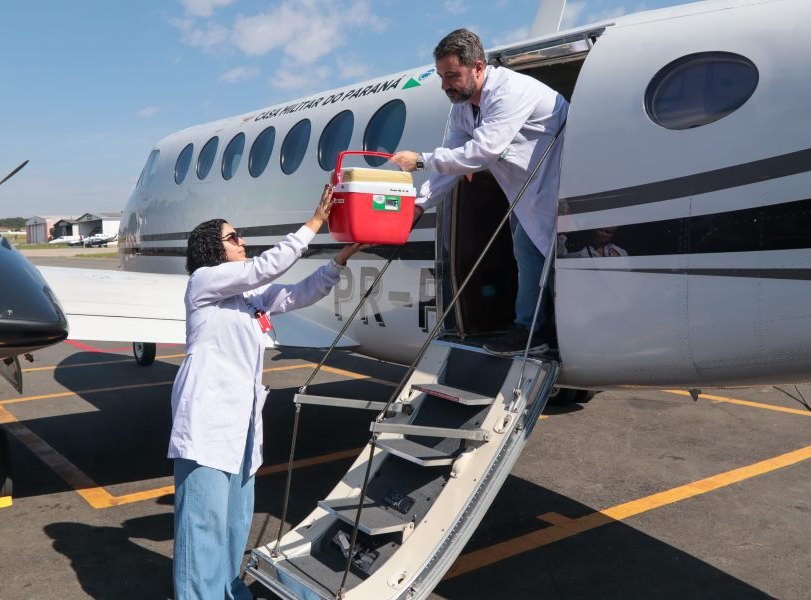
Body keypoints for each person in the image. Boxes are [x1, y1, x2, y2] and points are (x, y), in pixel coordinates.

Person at [169, 185, 362, 600]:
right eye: (233, 237)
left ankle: (227, 588)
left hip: (241, 420)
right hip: (207, 417)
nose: (242, 242)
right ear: (212, 248)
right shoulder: (204, 282)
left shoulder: (246, 299)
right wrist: (314, 223)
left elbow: (299, 293)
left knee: (235, 518)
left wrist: (341, 258)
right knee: (201, 521)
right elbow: (265, 268)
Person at [390, 28, 568, 355]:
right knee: (529, 260)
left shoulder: (510, 91)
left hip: (560, 190)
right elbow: (454, 162)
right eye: (442, 77)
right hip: (527, 196)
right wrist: (418, 206)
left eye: (453, 75)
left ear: (478, 67)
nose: (446, 85)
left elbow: (482, 152)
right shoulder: (462, 109)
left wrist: (419, 162)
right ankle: (532, 332)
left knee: (559, 267)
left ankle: (552, 333)